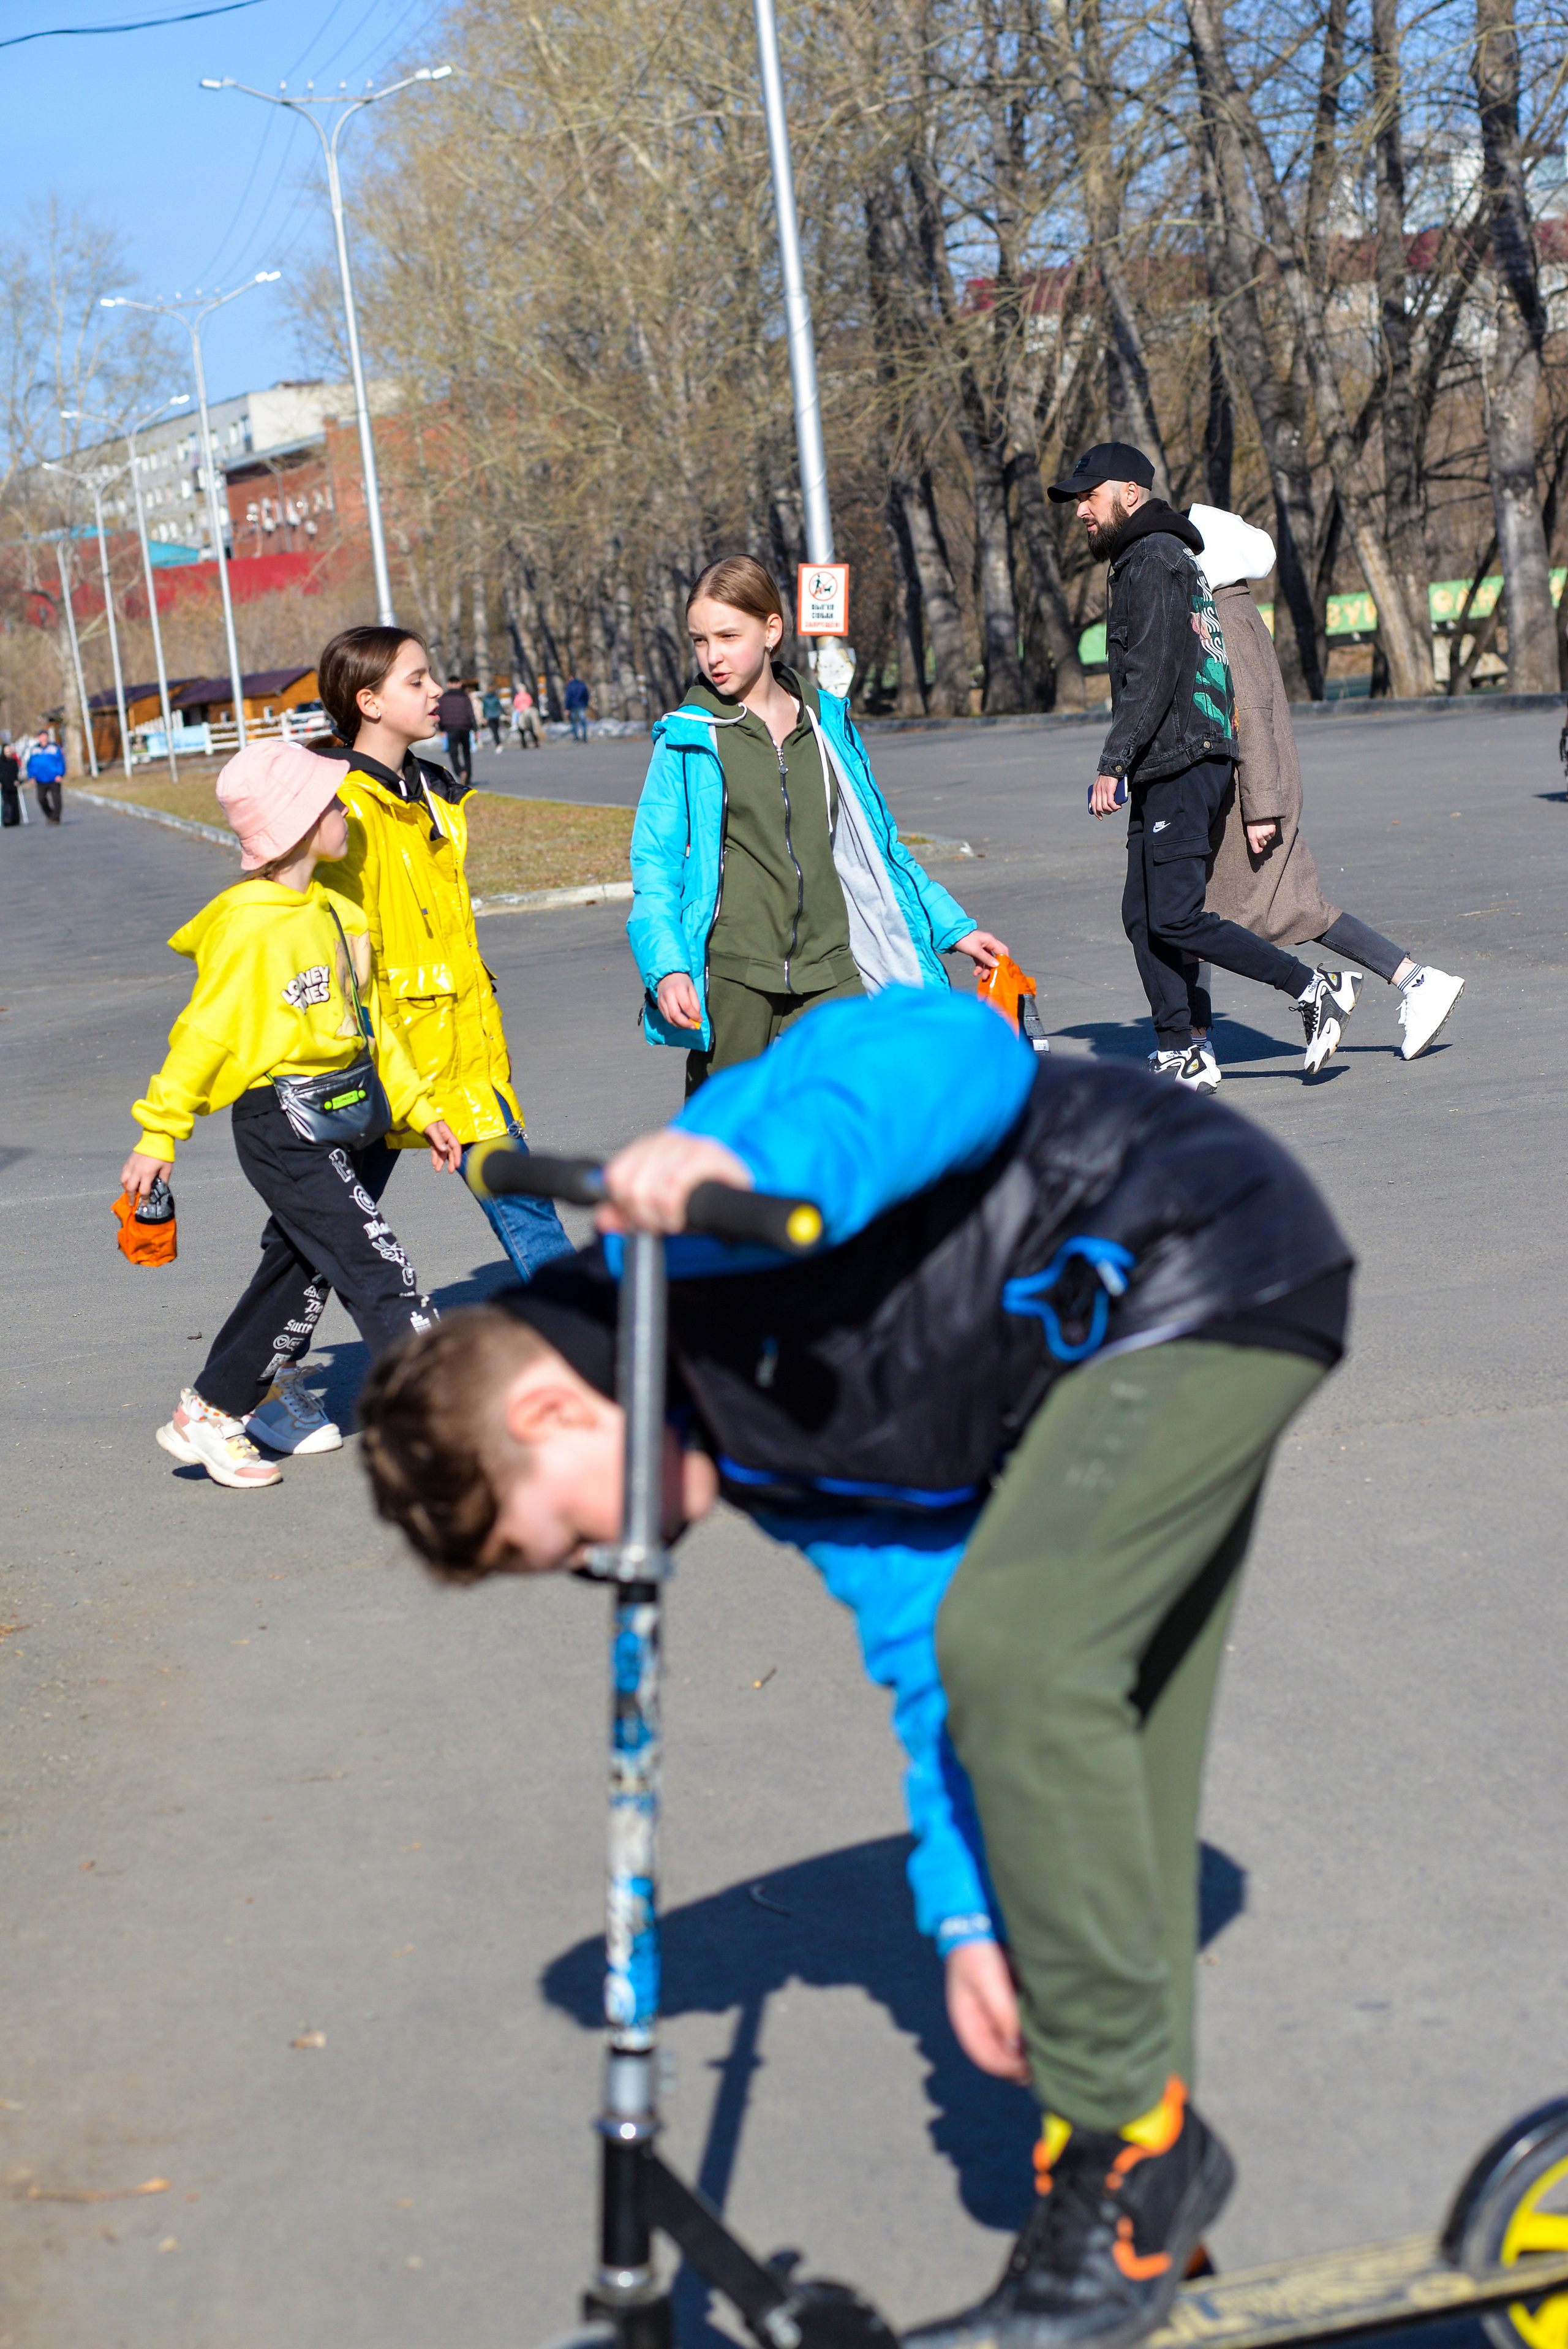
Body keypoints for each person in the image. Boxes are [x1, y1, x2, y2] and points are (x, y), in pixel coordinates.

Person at [358, 986, 1352, 2349]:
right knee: (1078, 1779)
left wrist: (744, 1168)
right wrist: (961, 1919)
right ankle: (1134, 2222)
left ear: (550, 1406)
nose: (619, 1562)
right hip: (1093, 1390)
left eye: (582, 1535)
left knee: (1027, 1649)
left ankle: (1135, 2164)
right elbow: (931, 1659)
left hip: (1185, 1256)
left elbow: (949, 1042)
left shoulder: (696, 1205)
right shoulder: (765, 1456)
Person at [121, 739, 460, 1487]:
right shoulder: (250, 926)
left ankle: (214, 1409)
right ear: (300, 823)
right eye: (332, 803)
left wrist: (420, 1107)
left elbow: (373, 1027)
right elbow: (203, 1036)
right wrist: (160, 1133)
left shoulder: (336, 911)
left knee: (305, 1270)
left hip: (350, 1112)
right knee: (376, 1266)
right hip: (283, 1126)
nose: (345, 811)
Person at [628, 554, 1006, 1095]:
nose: (713, 656)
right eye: (700, 640)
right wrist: (668, 968)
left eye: (728, 636)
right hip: (735, 974)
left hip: (831, 967)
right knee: (727, 1140)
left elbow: (881, 847)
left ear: (771, 630)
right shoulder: (687, 739)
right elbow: (655, 868)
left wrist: (956, 929)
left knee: (868, 1118)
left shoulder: (826, 723)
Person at [1052, 445, 1361, 1086]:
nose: (1081, 510)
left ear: (1130, 493)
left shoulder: (1153, 559)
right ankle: (1180, 1048)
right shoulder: (1159, 557)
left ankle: (1312, 988)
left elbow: (1155, 671)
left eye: (1089, 495)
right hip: (1173, 758)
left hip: (1183, 757)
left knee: (1175, 915)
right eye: (1076, 499)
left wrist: (1114, 761)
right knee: (1143, 916)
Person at [313, 625, 573, 1282]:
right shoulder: (339, 804)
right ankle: (236, 1379)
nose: (438, 692)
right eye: (418, 681)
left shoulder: (435, 789)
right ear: (369, 702)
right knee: (323, 1230)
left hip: (459, 1046)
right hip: (380, 1057)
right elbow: (340, 942)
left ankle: (599, 1341)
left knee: (523, 1203)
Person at [1187, 505, 1465, 1070]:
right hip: (1247, 793)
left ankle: (1196, 1043)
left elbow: (1252, 715)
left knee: (1207, 914)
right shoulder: (1232, 607)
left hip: (1250, 796)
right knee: (1218, 914)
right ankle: (1412, 980)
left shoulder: (1222, 613)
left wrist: (1260, 805)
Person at [435, 679, 477, 785]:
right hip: (465, 727)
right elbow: (471, 713)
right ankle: (468, 776)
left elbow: (440, 713)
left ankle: (460, 771)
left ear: (449, 684)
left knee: (453, 753)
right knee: (466, 753)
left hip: (451, 728)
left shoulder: (444, 698)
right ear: (459, 684)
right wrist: (475, 728)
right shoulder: (464, 697)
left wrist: (441, 727)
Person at [28, 728, 66, 824]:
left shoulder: (54, 748)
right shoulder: (35, 750)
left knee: (57, 799)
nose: (43, 739)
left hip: (53, 778)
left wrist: (60, 774)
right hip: (40, 779)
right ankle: (50, 815)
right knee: (41, 799)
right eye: (41, 737)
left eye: (44, 736)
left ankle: (56, 818)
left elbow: (61, 761)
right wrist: (31, 776)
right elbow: (31, 764)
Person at [511, 682, 543, 749]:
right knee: (532, 727)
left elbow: (515, 704)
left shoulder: (518, 696)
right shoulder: (527, 695)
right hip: (528, 708)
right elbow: (530, 702)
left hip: (521, 710)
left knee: (517, 719)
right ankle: (536, 741)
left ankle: (514, 725)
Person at [563, 673, 590, 743]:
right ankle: (584, 737)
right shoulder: (582, 685)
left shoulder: (569, 686)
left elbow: (568, 698)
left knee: (574, 722)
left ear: (571, 678)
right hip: (581, 705)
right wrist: (585, 703)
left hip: (572, 707)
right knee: (583, 721)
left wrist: (567, 708)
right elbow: (586, 695)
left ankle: (576, 737)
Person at [1, 734, 20, 829]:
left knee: (15, 802)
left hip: (13, 784)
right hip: (4, 785)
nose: (8, 753)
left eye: (9, 751)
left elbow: (16, 772)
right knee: (6, 803)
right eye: (6, 752)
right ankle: (7, 820)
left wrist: (17, 780)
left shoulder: (13, 761)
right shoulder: (1, 762)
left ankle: (16, 819)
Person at [480, 684, 504, 754]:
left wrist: (484, 717)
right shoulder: (495, 698)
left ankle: (497, 744)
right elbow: (499, 707)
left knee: (494, 731)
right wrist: (504, 713)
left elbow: (484, 709)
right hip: (496, 716)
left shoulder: (485, 699)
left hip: (490, 716)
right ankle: (499, 743)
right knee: (497, 730)